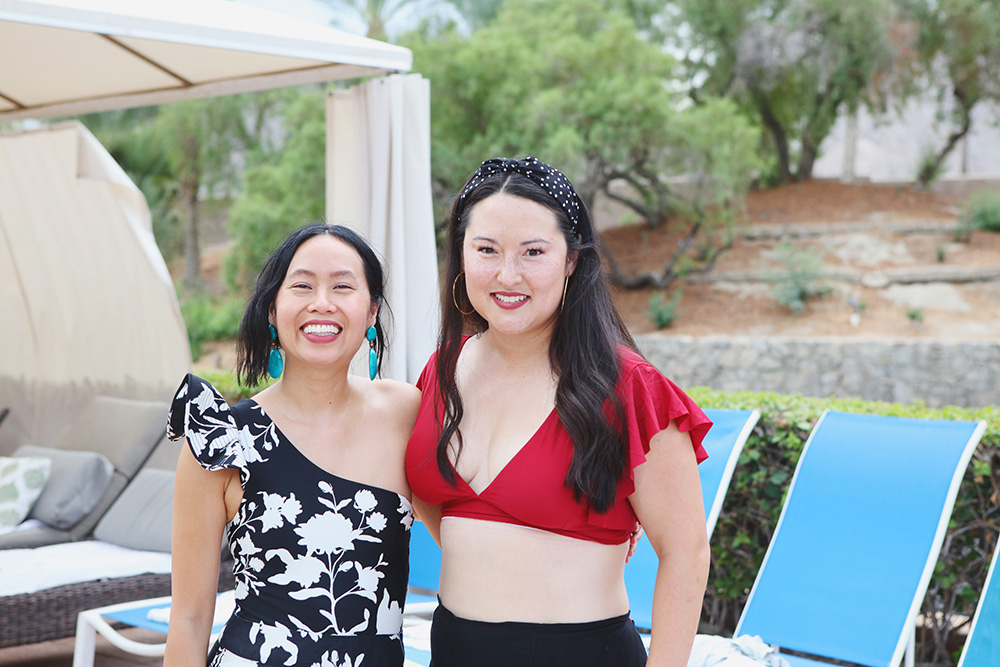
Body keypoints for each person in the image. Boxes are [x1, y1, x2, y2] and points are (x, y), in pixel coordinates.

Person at [405, 157, 713, 667]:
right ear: (461, 255)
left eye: (533, 252)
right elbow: (441, 506)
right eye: (486, 249)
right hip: (453, 647)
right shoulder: (441, 371)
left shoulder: (629, 387)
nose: (508, 274)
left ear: (572, 259)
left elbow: (686, 553)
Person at [165, 224, 420, 667]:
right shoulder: (222, 437)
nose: (322, 302)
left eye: (343, 286)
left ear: (372, 311)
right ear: (271, 309)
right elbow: (188, 618)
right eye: (302, 285)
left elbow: (464, 535)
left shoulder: (406, 413)